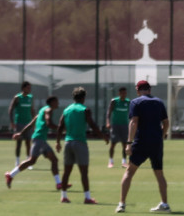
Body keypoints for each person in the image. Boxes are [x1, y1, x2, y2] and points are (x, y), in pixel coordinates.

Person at [117, 80, 171, 214]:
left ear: (137, 90)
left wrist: (129, 143)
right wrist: (162, 136)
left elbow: (134, 122)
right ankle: (165, 204)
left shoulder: (135, 102)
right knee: (159, 174)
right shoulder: (159, 102)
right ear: (149, 89)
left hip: (141, 142)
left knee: (129, 172)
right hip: (156, 143)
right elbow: (166, 123)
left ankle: (122, 204)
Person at [56, 86, 105, 204]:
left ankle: (63, 196)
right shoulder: (84, 109)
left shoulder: (67, 110)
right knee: (83, 172)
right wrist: (103, 136)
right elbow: (92, 125)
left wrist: (58, 142)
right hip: (80, 143)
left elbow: (60, 126)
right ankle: (87, 197)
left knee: (66, 171)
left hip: (68, 142)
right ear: (83, 97)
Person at [5, 95, 63, 189]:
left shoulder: (41, 110)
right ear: (52, 102)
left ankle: (59, 183)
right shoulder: (48, 110)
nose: (58, 104)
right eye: (56, 101)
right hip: (39, 139)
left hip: (40, 139)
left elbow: (31, 124)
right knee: (32, 161)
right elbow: (49, 123)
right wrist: (60, 129)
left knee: (53, 160)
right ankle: (10, 175)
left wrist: (20, 133)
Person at [9, 81, 35, 168]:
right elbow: (11, 109)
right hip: (19, 123)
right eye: (28, 88)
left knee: (28, 143)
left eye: (30, 88)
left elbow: (32, 110)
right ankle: (17, 161)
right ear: (23, 88)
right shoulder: (17, 97)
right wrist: (12, 122)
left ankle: (28, 162)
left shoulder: (30, 97)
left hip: (28, 123)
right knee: (19, 142)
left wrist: (34, 122)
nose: (30, 89)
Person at [107, 86, 131, 168]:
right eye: (122, 93)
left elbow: (131, 114)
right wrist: (108, 122)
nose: (124, 94)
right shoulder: (114, 101)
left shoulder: (128, 102)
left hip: (124, 125)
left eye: (125, 93)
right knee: (113, 144)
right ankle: (111, 161)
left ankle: (124, 162)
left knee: (124, 144)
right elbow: (109, 113)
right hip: (115, 125)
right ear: (119, 93)